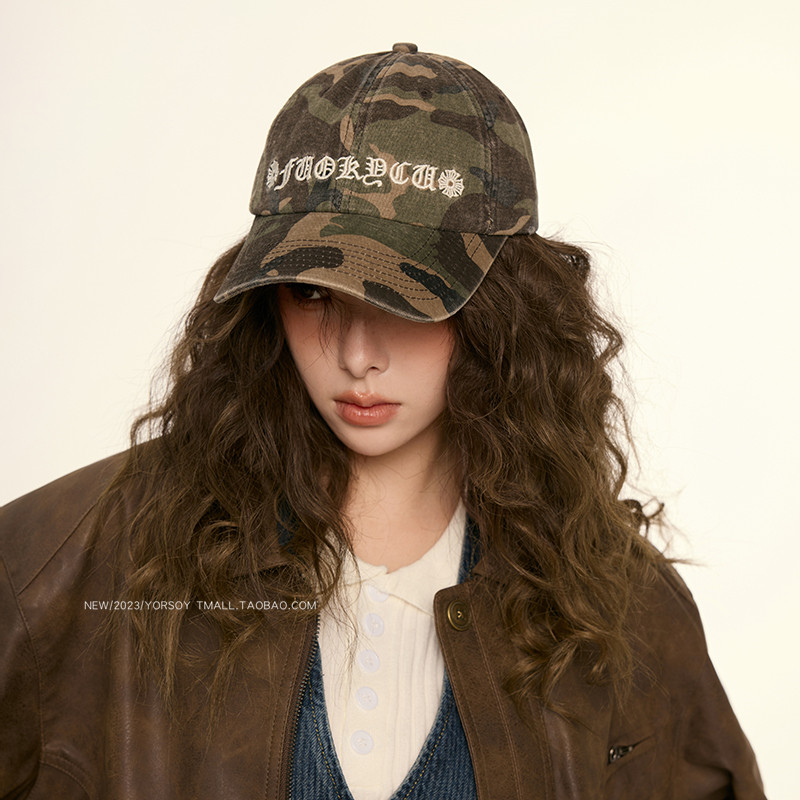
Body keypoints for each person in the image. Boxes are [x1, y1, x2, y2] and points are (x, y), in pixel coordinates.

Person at [0, 43, 765, 799]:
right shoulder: (53, 568)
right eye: (311, 293)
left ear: (500, 308)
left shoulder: (622, 611)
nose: (356, 356)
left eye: (408, 294)